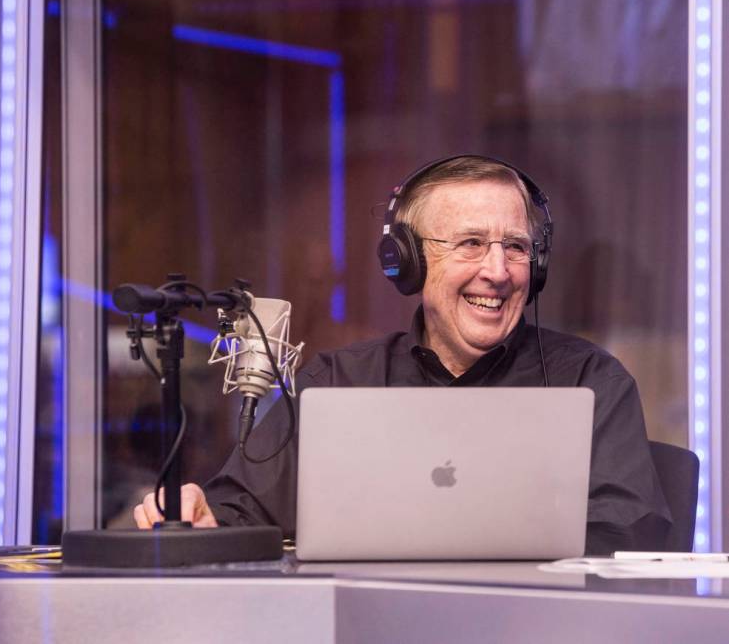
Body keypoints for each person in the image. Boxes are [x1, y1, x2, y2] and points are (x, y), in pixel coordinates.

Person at [134, 155, 672, 555]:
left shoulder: (590, 380)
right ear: (407, 262)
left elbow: (629, 536)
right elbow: (240, 510)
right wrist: (203, 517)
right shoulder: (338, 383)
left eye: (516, 246)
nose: (500, 270)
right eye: (469, 244)